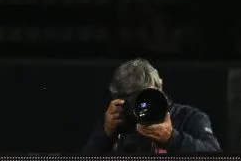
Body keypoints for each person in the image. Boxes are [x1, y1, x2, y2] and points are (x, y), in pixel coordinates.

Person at [81, 58, 222, 153]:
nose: (142, 105)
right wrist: (105, 135)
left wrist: (172, 138)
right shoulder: (117, 123)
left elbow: (217, 160)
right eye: (133, 100)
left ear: (159, 87)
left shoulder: (188, 118)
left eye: (146, 96)